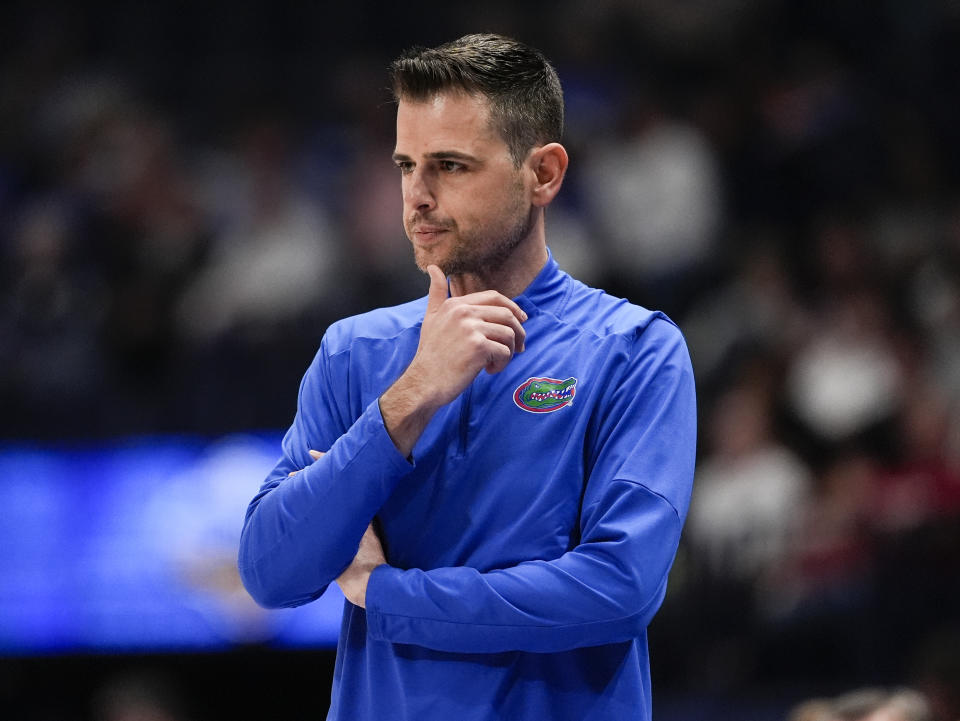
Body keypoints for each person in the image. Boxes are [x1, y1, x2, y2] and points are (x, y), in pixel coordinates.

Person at [238, 33, 697, 721]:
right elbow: (271, 573)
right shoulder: (355, 353)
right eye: (405, 165)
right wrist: (410, 396)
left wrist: (387, 593)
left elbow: (618, 587)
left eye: (449, 166)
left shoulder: (633, 349)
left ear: (542, 173)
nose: (416, 196)